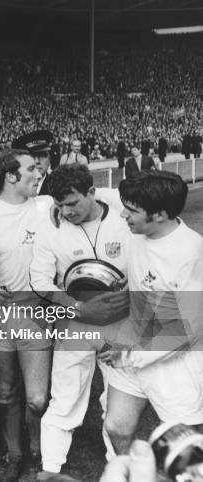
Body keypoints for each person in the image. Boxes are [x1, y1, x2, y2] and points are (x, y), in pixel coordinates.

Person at [30, 164, 131, 478]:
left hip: (120, 321)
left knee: (117, 397)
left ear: (92, 192)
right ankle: (50, 468)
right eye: (59, 204)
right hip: (74, 321)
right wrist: (76, 308)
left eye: (72, 203)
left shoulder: (122, 217)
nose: (66, 211)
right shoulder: (51, 226)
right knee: (65, 397)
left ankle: (118, 466)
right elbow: (40, 280)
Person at [99, 170, 203, 455]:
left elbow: (187, 328)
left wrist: (131, 353)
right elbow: (95, 194)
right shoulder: (140, 231)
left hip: (175, 361)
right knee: (117, 427)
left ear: (159, 215)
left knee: (183, 449)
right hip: (133, 343)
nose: (123, 216)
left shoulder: (190, 253)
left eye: (131, 210)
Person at [0, 149, 53, 481]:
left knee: (37, 398)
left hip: (34, 311)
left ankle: (37, 448)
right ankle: (16, 455)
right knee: (6, 392)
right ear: (10, 176)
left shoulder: (47, 207)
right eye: (32, 169)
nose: (39, 173)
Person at [12, 130, 53, 195]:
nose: (37, 162)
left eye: (42, 155)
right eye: (32, 156)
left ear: (49, 158)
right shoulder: (12, 186)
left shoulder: (58, 187)